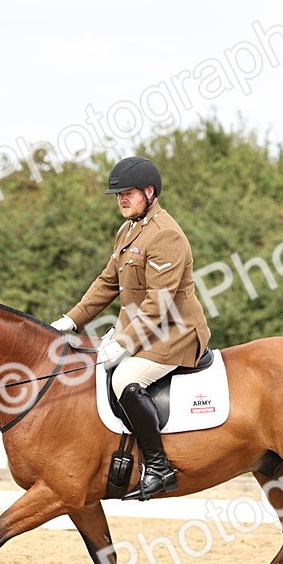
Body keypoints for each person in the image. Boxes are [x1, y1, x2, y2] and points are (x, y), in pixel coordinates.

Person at [51, 157, 211, 501]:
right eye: (118, 194)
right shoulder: (127, 230)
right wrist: (72, 319)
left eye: (128, 193)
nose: (122, 199)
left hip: (176, 333)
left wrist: (123, 341)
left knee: (125, 378)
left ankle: (158, 466)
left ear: (149, 192)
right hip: (144, 329)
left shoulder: (165, 234)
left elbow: (159, 302)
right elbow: (108, 281)